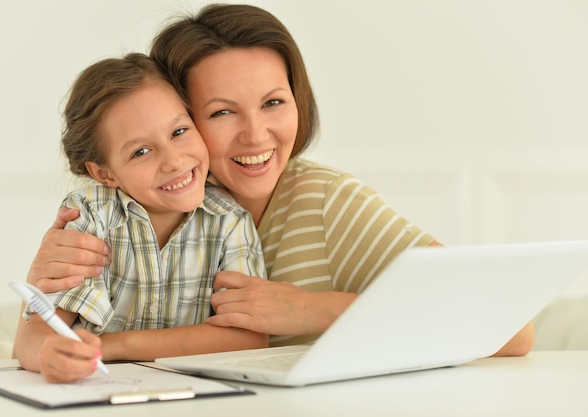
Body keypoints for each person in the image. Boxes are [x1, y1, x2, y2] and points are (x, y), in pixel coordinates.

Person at [26, 4, 534, 355]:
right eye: (222, 112)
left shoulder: (325, 203)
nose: (256, 135)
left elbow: (511, 330)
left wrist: (313, 311)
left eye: (273, 103)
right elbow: (36, 346)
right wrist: (42, 279)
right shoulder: (129, 210)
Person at [13, 52, 268, 383]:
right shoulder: (91, 215)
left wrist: (112, 346)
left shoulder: (229, 219)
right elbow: (33, 338)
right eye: (141, 152)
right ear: (104, 173)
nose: (174, 161)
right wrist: (49, 354)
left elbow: (248, 338)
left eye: (179, 131)